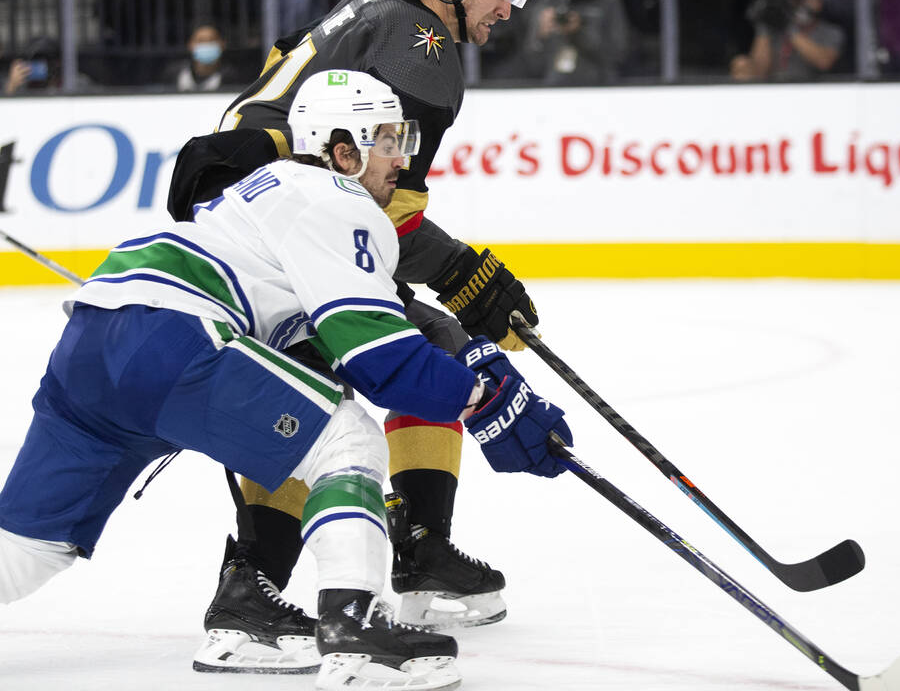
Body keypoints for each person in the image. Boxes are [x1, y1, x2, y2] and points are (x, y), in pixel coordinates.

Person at [0, 69, 573, 691]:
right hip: (172, 338)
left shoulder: (270, 190)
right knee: (346, 442)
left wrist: (470, 378)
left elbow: (323, 342)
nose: (400, 160)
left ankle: (276, 606)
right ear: (342, 149)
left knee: (30, 550)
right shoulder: (342, 202)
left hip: (92, 340)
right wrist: (485, 395)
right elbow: (379, 362)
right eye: (386, 141)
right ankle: (355, 633)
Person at [168, 0, 540, 673]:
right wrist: (458, 268)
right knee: (344, 371)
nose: (511, 5)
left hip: (251, 218)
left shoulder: (379, 5)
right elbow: (376, 202)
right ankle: (253, 593)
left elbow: (359, 190)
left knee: (418, 345)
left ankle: (414, 550)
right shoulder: (423, 44)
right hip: (285, 230)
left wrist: (452, 271)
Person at [732, 0, 844, 81]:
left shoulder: (830, 32)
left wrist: (789, 28)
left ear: (820, 1)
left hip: (811, 92)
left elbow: (824, 62)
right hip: (775, 91)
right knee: (740, 63)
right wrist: (764, 25)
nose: (803, 2)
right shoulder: (774, 29)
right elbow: (759, 72)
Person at [166, 22, 231, 90]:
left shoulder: (231, 76)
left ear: (222, 44)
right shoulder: (174, 73)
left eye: (211, 40)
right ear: (190, 45)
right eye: (201, 41)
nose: (206, 45)